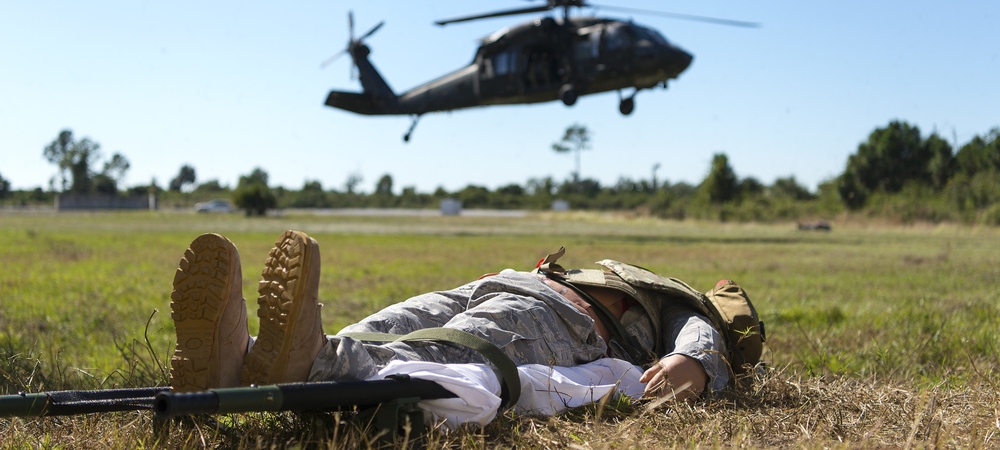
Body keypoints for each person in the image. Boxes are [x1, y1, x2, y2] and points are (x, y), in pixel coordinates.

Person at [169, 230, 729, 405]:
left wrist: (694, 360)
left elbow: (701, 331)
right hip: (505, 282)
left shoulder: (680, 303)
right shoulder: (613, 272)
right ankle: (240, 357)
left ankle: (310, 361)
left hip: (563, 317)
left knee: (458, 346)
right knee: (392, 323)